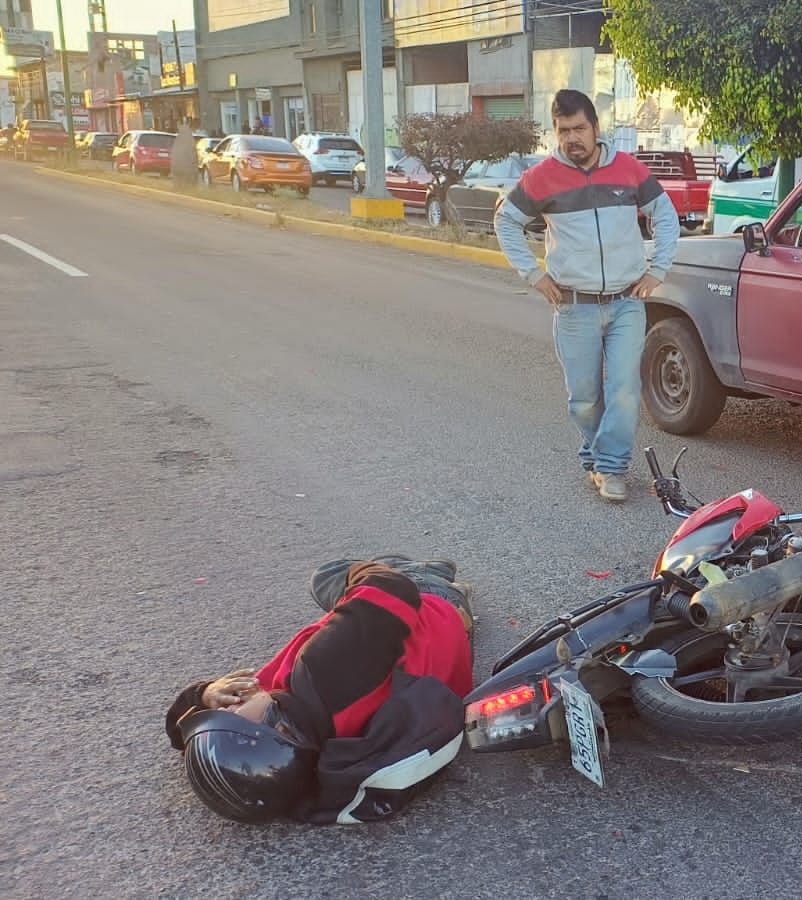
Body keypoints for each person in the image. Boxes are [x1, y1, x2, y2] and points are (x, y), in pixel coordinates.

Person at [165, 556, 474, 824]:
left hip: (443, 668)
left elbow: (180, 730)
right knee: (330, 573)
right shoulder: (324, 668)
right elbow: (394, 588)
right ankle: (430, 574)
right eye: (233, 718)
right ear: (278, 728)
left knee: (358, 595)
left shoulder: (309, 756)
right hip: (433, 609)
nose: (224, 708)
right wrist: (364, 578)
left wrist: (203, 694)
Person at [493, 89, 680, 503]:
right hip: (574, 306)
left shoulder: (629, 170)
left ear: (596, 127)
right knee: (584, 399)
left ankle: (610, 468)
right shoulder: (541, 178)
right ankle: (596, 458)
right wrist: (534, 275)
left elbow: (665, 216)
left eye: (579, 128)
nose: (572, 138)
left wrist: (658, 270)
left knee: (625, 389)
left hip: (626, 302)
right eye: (563, 131)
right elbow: (506, 222)